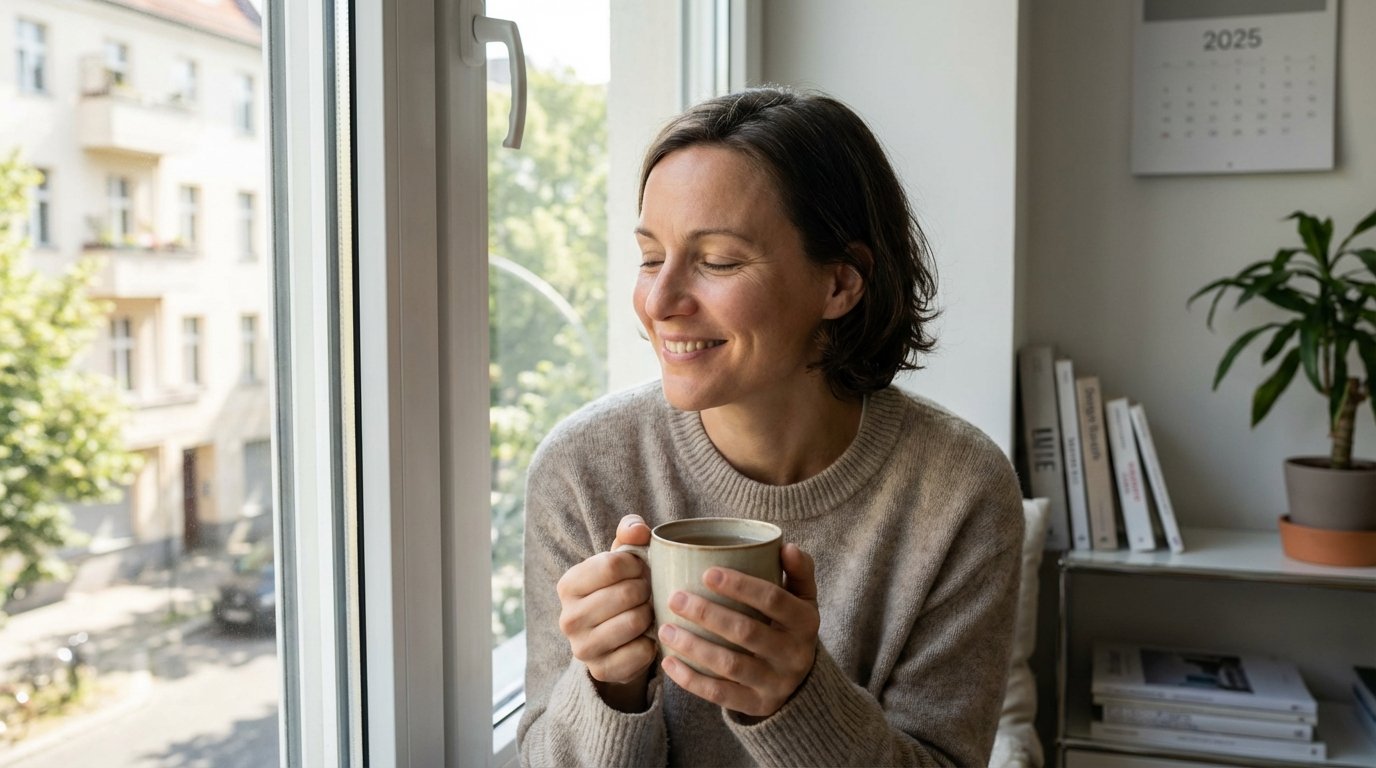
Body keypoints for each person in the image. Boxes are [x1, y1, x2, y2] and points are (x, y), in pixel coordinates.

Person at [517, 86, 1023, 767]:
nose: (659, 302)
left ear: (840, 284)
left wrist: (798, 703)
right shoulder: (582, 469)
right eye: (650, 257)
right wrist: (609, 687)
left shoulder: (960, 489)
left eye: (717, 261)